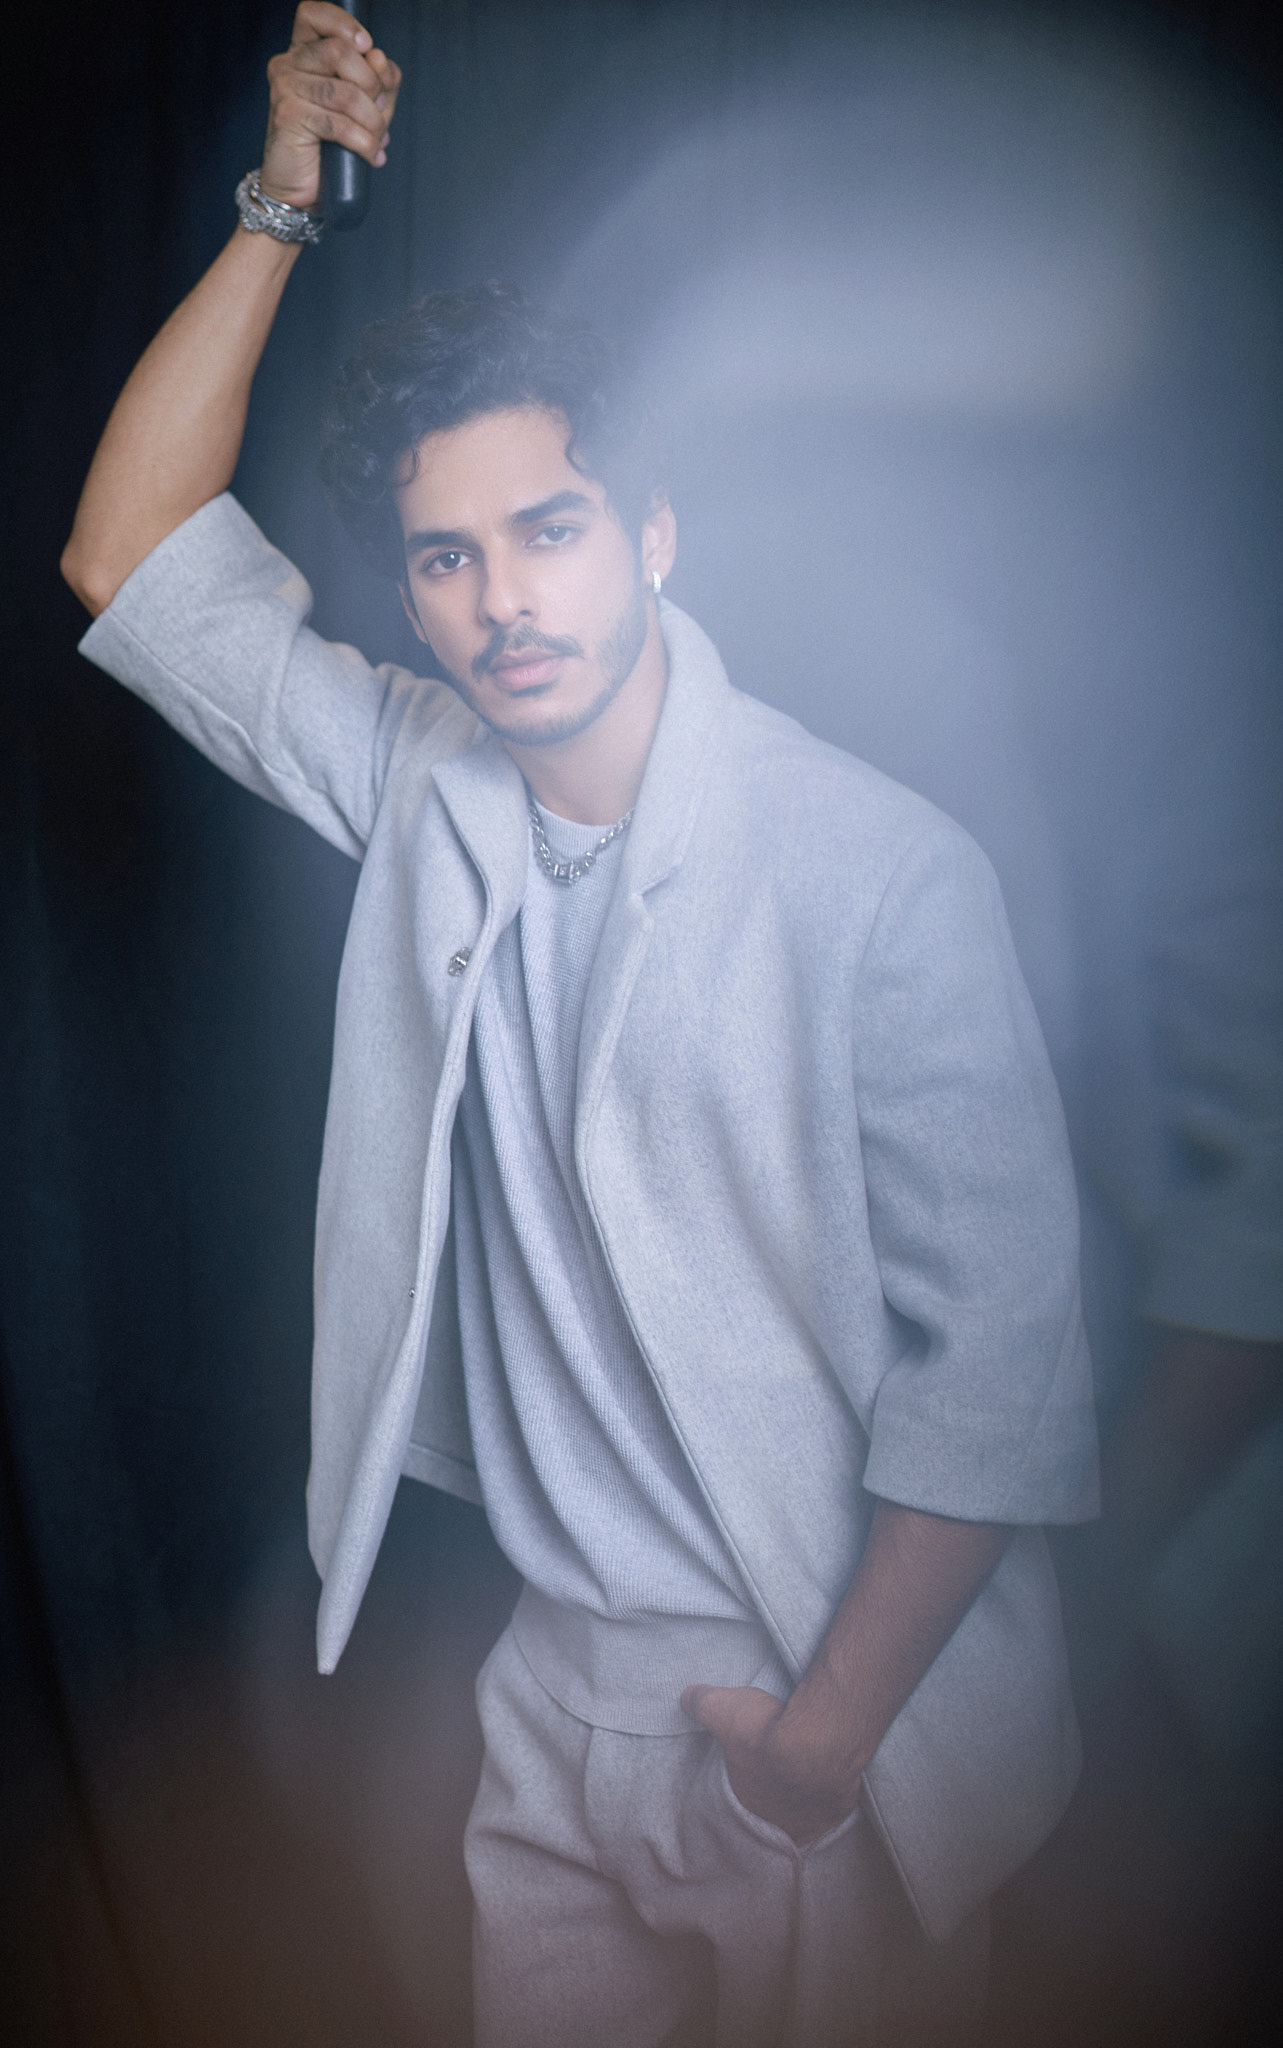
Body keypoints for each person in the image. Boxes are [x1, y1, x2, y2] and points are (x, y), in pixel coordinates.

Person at [61, 7, 1097, 2042]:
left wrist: (817, 1744)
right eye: (446, 559)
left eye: (549, 531)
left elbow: (997, 1374)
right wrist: (278, 206)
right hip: (548, 1685)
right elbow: (131, 557)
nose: (503, 602)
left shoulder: (879, 869)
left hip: (819, 1692)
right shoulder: (421, 778)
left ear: (651, 533)